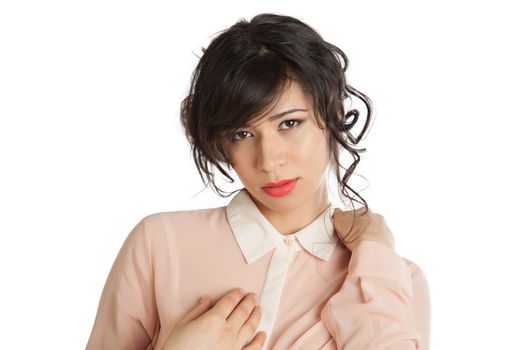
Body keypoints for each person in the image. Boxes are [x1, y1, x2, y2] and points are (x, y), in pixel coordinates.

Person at [86, 13, 431, 350]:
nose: (268, 160)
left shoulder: (395, 280)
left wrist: (375, 256)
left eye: (289, 124)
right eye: (242, 133)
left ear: (333, 116)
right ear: (222, 143)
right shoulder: (159, 246)